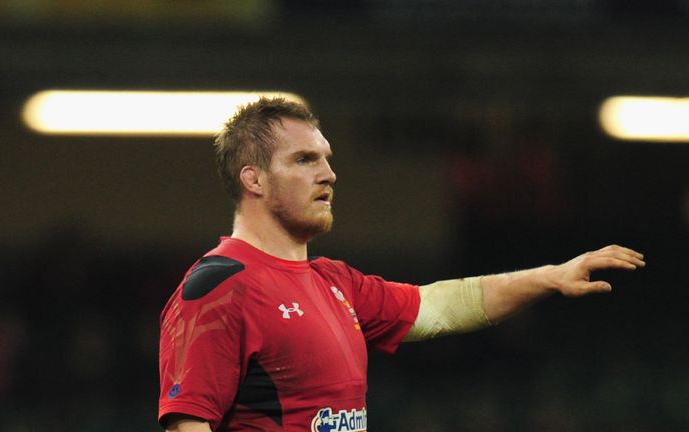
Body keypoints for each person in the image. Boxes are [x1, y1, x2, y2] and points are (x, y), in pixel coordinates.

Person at [157, 97, 645, 432]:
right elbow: (188, 421)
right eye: (305, 159)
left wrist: (549, 276)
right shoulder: (220, 286)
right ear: (254, 180)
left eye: (326, 158)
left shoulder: (334, 283)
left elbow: (439, 306)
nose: (329, 173)